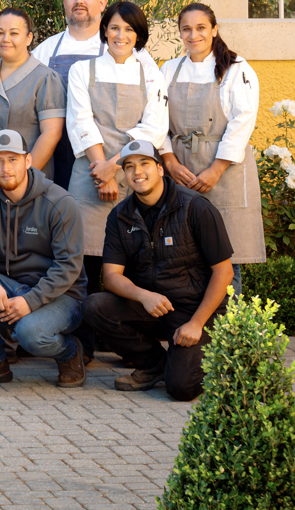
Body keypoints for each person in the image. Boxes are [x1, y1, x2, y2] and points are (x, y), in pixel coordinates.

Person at [85, 140, 234, 401]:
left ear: (161, 168)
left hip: (193, 310)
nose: (137, 172)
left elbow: (224, 272)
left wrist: (197, 323)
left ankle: (211, 356)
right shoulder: (120, 216)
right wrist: (144, 296)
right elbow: (110, 276)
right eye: (129, 166)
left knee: (181, 389)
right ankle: (153, 365)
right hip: (152, 305)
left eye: (145, 164)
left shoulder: (196, 207)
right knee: (94, 306)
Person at [0, 129, 87, 388]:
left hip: (62, 296)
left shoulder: (59, 203)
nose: (5, 168)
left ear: (28, 161)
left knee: (30, 334)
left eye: (13, 159)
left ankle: (69, 353)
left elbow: (69, 267)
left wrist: (30, 301)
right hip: (9, 287)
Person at [67, 0, 169, 291]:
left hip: (133, 174)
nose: (120, 35)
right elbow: (81, 122)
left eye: (128, 29)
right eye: (114, 27)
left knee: (132, 259)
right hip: (90, 171)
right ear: (104, 30)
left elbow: (153, 129)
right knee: (84, 263)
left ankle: (121, 333)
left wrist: (112, 166)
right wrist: (100, 171)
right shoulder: (81, 71)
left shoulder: (152, 74)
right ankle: (83, 335)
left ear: (139, 34)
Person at [160, 3, 265, 271]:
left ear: (215, 29)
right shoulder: (169, 69)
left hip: (224, 171)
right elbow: (157, 120)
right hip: (182, 169)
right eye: (186, 29)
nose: (193, 35)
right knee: (186, 251)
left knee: (226, 256)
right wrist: (169, 161)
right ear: (180, 33)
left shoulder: (236, 68)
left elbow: (243, 121)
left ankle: (230, 314)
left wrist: (216, 170)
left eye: (201, 28)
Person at [0, 8, 67, 201]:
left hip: (28, 186)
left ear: (29, 38)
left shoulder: (46, 78)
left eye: (14, 33)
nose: (5, 39)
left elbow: (52, 133)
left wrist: (25, 180)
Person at [31, 0, 111, 188]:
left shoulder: (120, 49)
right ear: (64, 3)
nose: (79, 1)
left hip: (106, 153)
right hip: (56, 153)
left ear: (102, 3)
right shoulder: (45, 50)